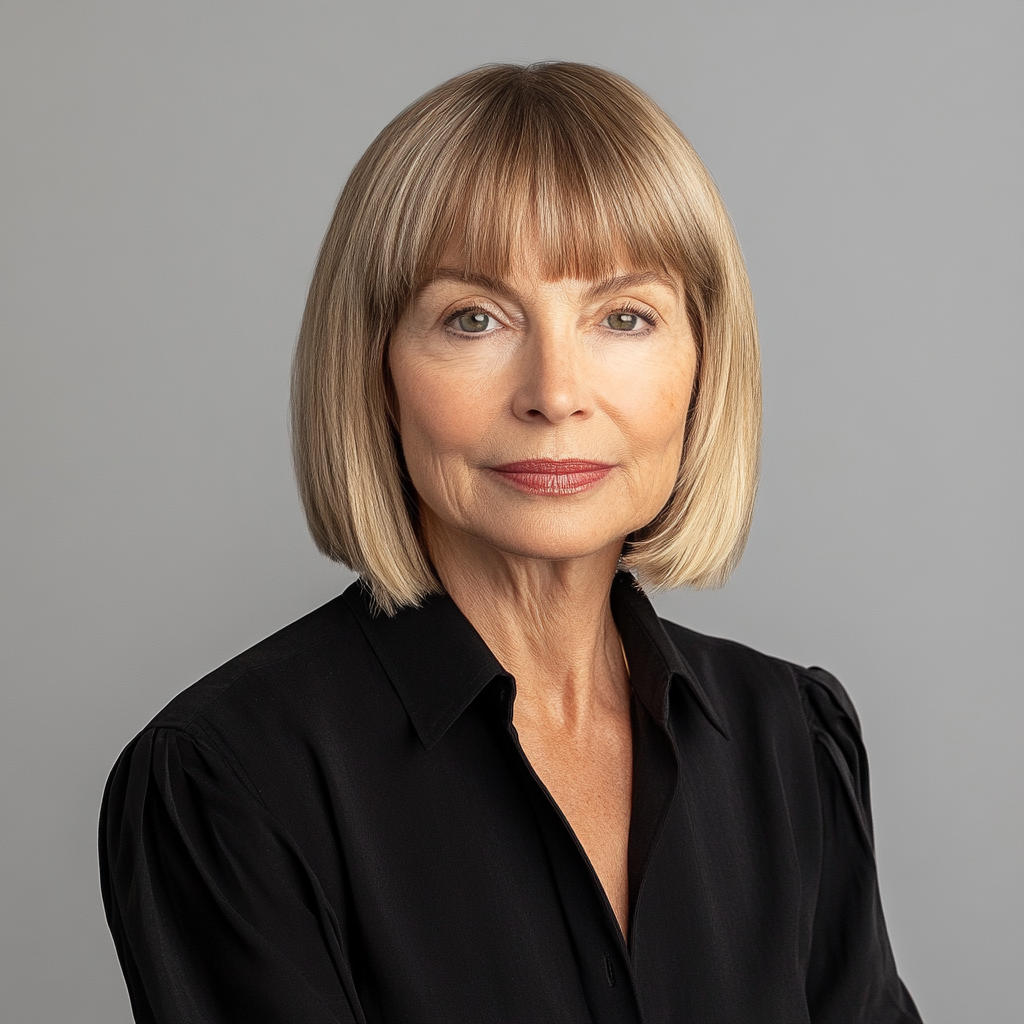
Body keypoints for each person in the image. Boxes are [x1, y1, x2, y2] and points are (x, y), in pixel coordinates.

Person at [99, 62, 923, 1024]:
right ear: (375, 370)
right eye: (475, 318)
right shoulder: (228, 779)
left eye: (624, 316)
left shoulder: (789, 740)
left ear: (704, 361)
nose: (555, 390)